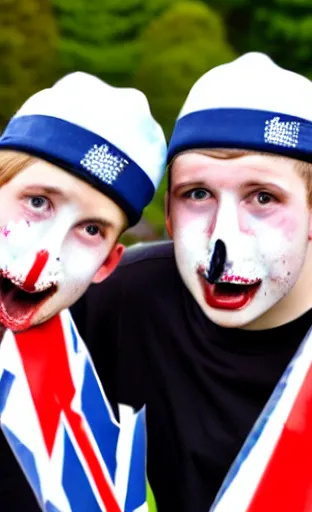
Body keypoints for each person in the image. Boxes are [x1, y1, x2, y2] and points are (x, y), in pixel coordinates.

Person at [4, 53, 312, 511]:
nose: (222, 240)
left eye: (263, 198)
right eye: (197, 194)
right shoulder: (124, 300)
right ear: (170, 216)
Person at [0, 71, 167, 508]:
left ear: (107, 264)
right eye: (37, 203)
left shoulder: (79, 437)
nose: (44, 255)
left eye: (91, 229)